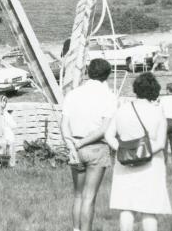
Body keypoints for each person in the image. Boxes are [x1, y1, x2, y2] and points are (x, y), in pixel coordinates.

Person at [105, 72, 171, 231]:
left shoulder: (122, 110)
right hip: (151, 164)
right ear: (154, 90)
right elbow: (160, 143)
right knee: (149, 210)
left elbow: (108, 135)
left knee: (126, 207)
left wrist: (124, 151)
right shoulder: (158, 112)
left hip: (125, 164)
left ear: (136, 89)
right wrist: (142, 154)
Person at [61, 58, 117, 231]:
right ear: (107, 75)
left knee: (78, 195)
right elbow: (103, 129)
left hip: (75, 147)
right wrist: (81, 143)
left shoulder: (73, 94)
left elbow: (64, 124)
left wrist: (71, 145)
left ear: (87, 71)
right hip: (96, 147)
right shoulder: (109, 96)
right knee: (89, 197)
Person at [1, 97, 18, 168]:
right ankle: (4, 165)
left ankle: (10, 166)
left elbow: (14, 125)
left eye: (5, 102)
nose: (4, 103)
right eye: (3, 101)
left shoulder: (6, 114)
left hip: (7, 134)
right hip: (1, 134)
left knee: (9, 149)